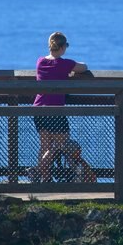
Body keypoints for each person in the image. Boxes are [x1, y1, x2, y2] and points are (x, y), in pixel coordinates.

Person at [30, 31, 97, 183]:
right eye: (66, 45)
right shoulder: (64, 64)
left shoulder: (40, 62)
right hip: (55, 109)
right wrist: (70, 73)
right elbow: (84, 67)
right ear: (61, 47)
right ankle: (38, 171)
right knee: (61, 145)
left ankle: (45, 180)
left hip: (38, 109)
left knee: (45, 146)